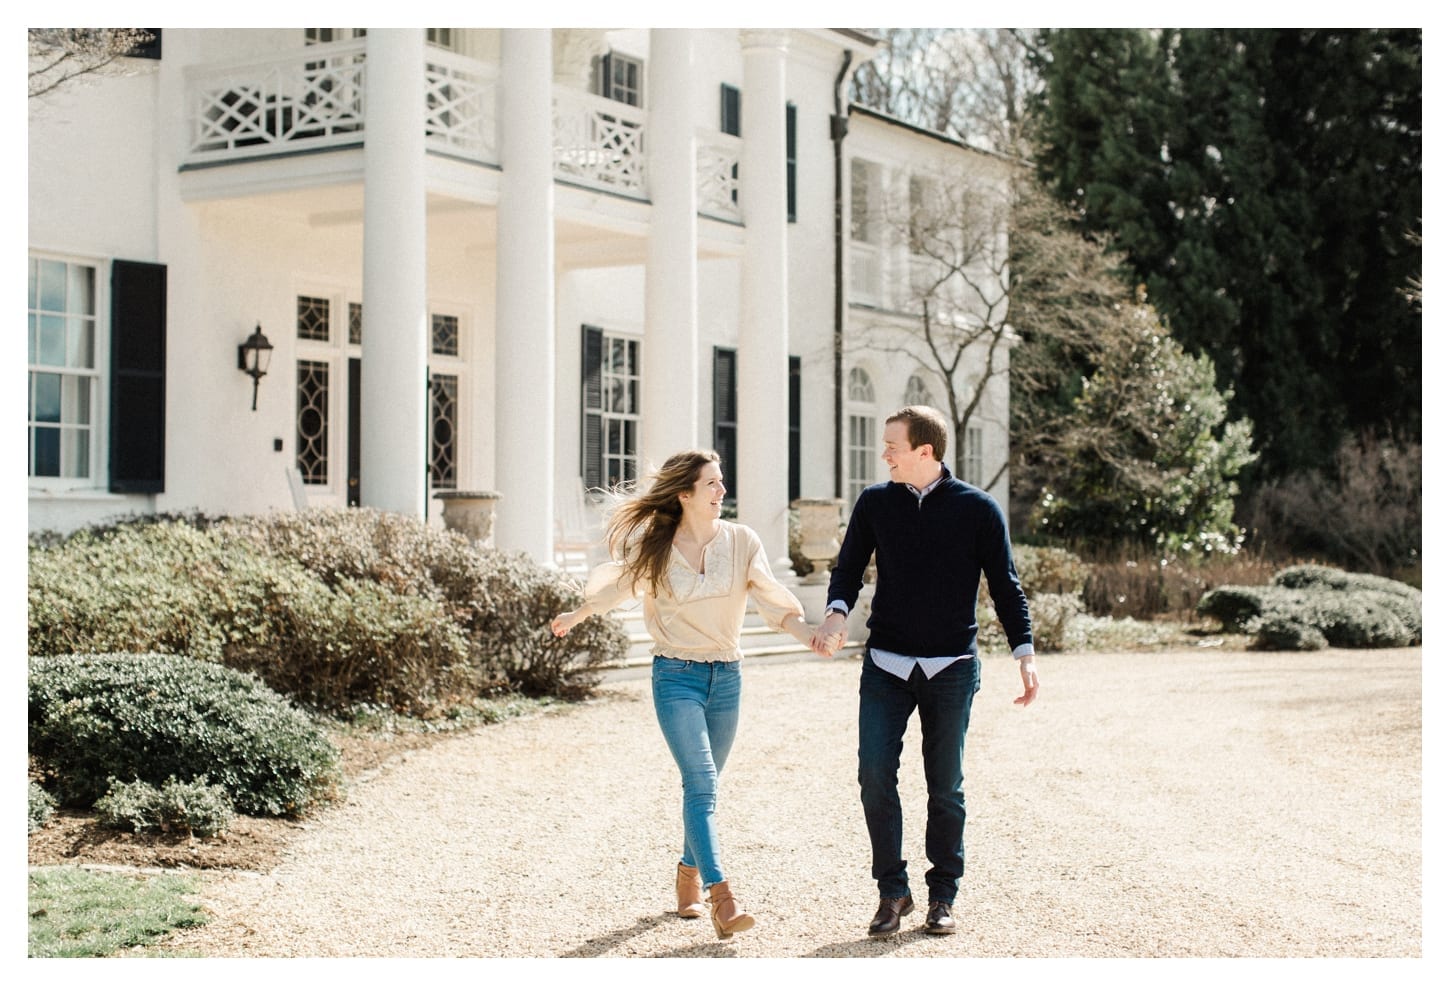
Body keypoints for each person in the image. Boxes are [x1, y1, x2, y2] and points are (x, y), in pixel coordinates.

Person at [551, 449, 830, 940]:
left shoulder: (742, 541)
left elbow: (770, 599)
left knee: (704, 789)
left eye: (721, 482)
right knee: (701, 783)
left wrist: (805, 632)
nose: (722, 491)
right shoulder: (658, 549)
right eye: (712, 484)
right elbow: (617, 589)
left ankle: (686, 878)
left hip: (727, 679)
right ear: (684, 494)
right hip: (675, 676)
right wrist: (576, 616)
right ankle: (722, 898)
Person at [811, 405, 1039, 937]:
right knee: (873, 776)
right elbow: (848, 570)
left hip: (952, 666)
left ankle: (943, 896)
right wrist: (836, 614)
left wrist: (1024, 654)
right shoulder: (874, 503)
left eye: (892, 445)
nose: (883, 453)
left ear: (925, 451)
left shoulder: (979, 510)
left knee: (946, 787)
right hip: (886, 663)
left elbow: (1005, 586)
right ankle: (893, 892)